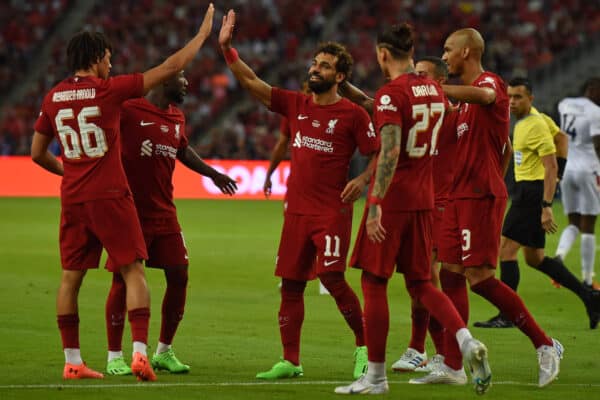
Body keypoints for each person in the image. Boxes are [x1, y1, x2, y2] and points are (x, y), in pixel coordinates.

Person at [30, 3, 216, 381]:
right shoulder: (109, 92)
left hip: (73, 197)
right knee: (133, 271)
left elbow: (36, 154)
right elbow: (166, 69)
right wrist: (201, 37)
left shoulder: (52, 97)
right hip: (111, 195)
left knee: (70, 279)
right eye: (109, 58)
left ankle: (73, 361)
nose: (111, 66)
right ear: (97, 58)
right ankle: (139, 354)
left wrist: (69, 171)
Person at [219, 10, 379, 380]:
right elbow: (253, 83)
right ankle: (290, 361)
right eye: (314, 63)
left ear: (339, 76)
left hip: (332, 212)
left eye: (324, 66)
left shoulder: (353, 115)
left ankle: (365, 351)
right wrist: (228, 50)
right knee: (290, 285)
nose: (315, 69)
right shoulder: (296, 104)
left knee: (333, 280)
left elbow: (382, 151)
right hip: (297, 213)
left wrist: (365, 179)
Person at [334, 25, 491, 396]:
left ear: (383, 54)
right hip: (425, 200)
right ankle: (466, 342)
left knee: (373, 282)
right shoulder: (435, 91)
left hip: (393, 201)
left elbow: (388, 152)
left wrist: (374, 204)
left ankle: (375, 377)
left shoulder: (392, 94)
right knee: (422, 283)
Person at [413, 28, 562, 388]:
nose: (444, 56)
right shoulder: (461, 106)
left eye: (448, 50)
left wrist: (432, 88)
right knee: (448, 272)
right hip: (458, 197)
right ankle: (452, 365)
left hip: (480, 196)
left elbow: (483, 96)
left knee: (479, 278)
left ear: (466, 51)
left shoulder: (489, 82)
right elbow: (504, 148)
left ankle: (546, 345)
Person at [104, 70, 238, 376]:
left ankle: (164, 351)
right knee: (122, 280)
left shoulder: (177, 117)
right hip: (130, 211)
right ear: (165, 80)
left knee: (179, 274)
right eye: (182, 77)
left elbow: (181, 149)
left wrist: (212, 173)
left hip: (164, 212)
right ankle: (114, 356)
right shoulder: (129, 109)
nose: (188, 83)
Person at [474, 77, 600, 329]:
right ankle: (590, 297)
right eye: (509, 96)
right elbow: (562, 139)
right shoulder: (538, 119)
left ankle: (507, 315)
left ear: (530, 98)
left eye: (518, 97)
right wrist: (559, 175)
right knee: (535, 259)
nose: (511, 102)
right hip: (528, 192)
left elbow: (550, 164)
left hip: (531, 194)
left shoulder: (534, 125)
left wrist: (546, 205)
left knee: (506, 250)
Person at [390, 56, 456, 373]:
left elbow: (503, 149)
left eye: (422, 75)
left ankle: (432, 351)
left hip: (438, 203)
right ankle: (433, 350)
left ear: (439, 82)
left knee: (427, 277)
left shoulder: (450, 112)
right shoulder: (420, 111)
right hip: (420, 201)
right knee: (418, 279)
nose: (415, 80)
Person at [554, 77, 600, 290]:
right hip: (587, 169)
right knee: (588, 226)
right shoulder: (595, 112)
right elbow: (598, 144)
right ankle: (588, 280)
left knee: (573, 222)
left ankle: (559, 258)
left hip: (567, 169)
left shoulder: (565, 104)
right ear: (592, 90)